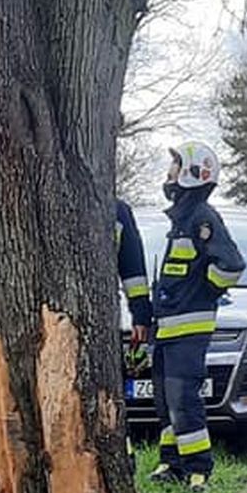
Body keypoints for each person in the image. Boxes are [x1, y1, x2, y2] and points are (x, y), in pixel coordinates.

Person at [150, 141, 245, 491]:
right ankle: (170, 463)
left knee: (183, 400)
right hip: (166, 330)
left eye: (175, 166)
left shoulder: (203, 217)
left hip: (189, 330)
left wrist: (203, 291)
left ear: (191, 173)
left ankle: (198, 470)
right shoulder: (181, 220)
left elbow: (231, 266)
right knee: (164, 401)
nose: (169, 173)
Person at [117, 199, 152, 474]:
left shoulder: (116, 211)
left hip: (100, 322)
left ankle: (122, 460)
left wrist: (141, 315)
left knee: (112, 397)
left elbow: (133, 270)